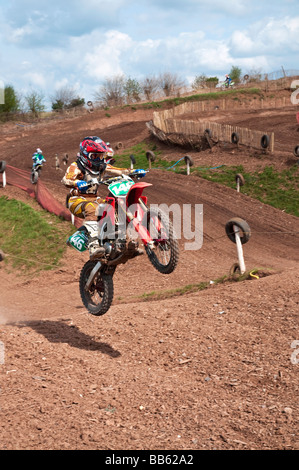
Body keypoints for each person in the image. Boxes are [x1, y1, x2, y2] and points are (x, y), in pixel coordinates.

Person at [62, 136, 129, 222]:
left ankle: (118, 230)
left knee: (114, 205)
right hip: (77, 200)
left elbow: (119, 171)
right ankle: (92, 232)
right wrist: (77, 182)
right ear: (86, 155)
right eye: (95, 156)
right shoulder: (76, 166)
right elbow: (66, 179)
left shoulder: (102, 167)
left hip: (95, 199)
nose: (99, 159)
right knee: (92, 208)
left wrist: (133, 171)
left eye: (101, 156)